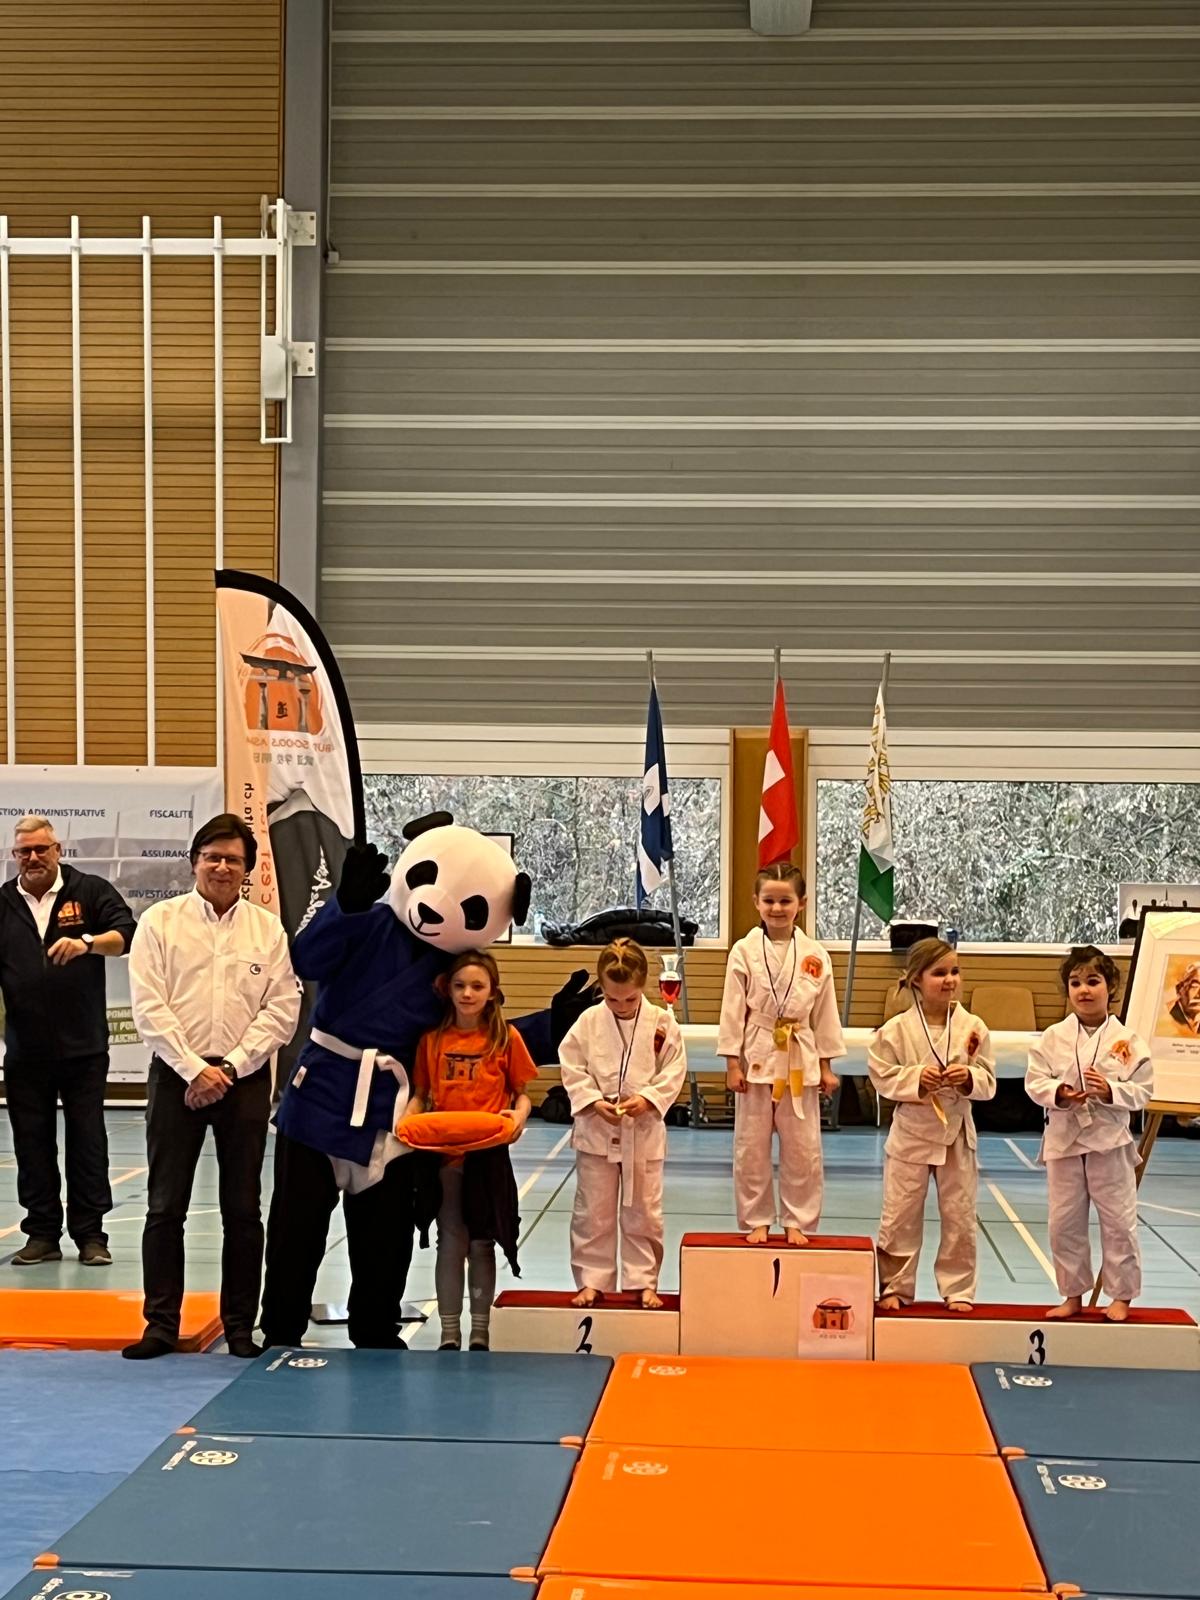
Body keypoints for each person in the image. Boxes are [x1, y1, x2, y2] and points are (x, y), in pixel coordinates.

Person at [123, 814, 300, 1359]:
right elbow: (148, 1005)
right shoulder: (160, 922)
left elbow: (283, 1009)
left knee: (242, 1209)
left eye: (234, 860)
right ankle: (160, 1325)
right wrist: (192, 1068)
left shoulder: (267, 930)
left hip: (243, 1079)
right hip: (175, 1076)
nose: (222, 867)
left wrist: (231, 1068)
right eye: (213, 857)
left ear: (247, 871)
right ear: (194, 861)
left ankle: (240, 1326)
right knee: (164, 1206)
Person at [0, 814, 136, 1266]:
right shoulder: (3, 902)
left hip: (84, 1048)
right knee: (31, 1144)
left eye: (42, 849)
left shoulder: (90, 890)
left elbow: (128, 934)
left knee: (87, 1141)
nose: (33, 857)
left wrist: (88, 943)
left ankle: (91, 1235)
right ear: (14, 856)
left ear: (58, 850)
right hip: (25, 1051)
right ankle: (41, 1233)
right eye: (24, 851)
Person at [411, 950, 536, 1351]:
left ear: (492, 992)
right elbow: (420, 1095)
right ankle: (449, 1333)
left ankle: (480, 1331)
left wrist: (518, 1117)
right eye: (460, 985)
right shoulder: (432, 1040)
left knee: (482, 1243)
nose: (467, 994)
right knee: (451, 1242)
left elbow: (522, 1094)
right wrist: (407, 1124)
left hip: (488, 1158)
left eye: (477, 986)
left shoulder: (506, 1038)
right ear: (447, 989)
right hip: (446, 1158)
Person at [1025, 945, 1152, 1323]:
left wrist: (1110, 1090)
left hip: (1109, 1141)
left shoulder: (1128, 1041)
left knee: (1118, 1221)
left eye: (1093, 981)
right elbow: (1034, 1081)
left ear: (1110, 987)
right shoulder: (1052, 1037)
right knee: (1064, 1222)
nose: (1084, 990)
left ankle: (1122, 1296)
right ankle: (1072, 1294)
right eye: (1075, 982)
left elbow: (1143, 1091)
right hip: (1064, 1139)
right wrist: (1059, 1092)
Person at [717, 863, 842, 1245]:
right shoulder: (744, 951)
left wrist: (827, 1066)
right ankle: (756, 1219)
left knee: (803, 1149)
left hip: (800, 1056)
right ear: (756, 902)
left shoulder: (815, 954)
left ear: (801, 903)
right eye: (769, 900)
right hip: (756, 1054)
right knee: (750, 1149)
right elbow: (732, 1010)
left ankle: (797, 1220)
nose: (776, 908)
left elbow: (825, 1014)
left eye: (785, 901)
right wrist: (732, 1063)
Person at [868, 939, 996, 1311]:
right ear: (916, 980)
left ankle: (959, 1289)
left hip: (956, 1133)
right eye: (939, 973)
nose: (949, 980)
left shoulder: (973, 1027)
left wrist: (969, 1078)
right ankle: (894, 1288)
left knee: (959, 1215)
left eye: (954, 972)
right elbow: (881, 1075)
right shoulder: (895, 1030)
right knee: (900, 1214)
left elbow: (989, 1081)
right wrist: (916, 1079)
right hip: (912, 1131)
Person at [559, 938, 687, 1309]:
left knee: (644, 1213)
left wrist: (648, 1099)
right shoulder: (588, 1021)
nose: (621, 1006)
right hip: (597, 1130)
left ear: (643, 986)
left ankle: (642, 1281)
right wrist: (592, 1100)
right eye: (612, 999)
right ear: (601, 987)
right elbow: (572, 1065)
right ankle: (592, 1280)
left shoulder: (661, 1023)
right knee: (592, 1211)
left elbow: (674, 1070)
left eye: (630, 999)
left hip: (642, 1131)